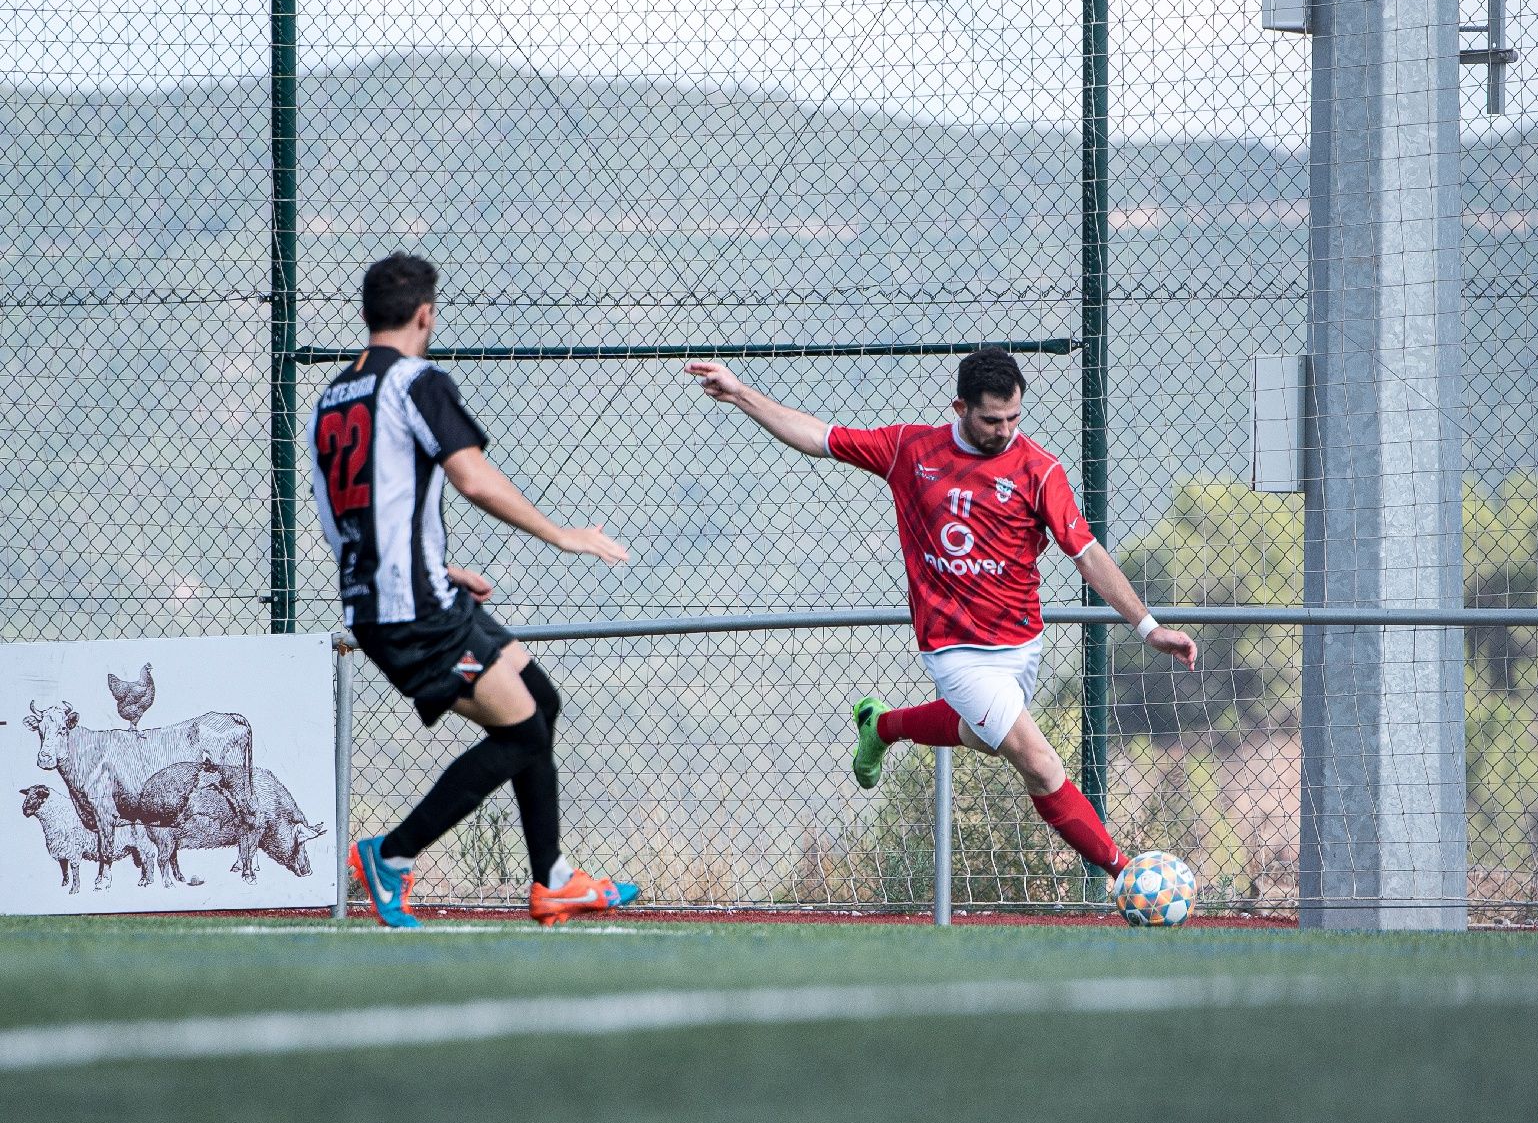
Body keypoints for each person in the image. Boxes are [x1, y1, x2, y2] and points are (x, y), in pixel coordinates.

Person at [687, 347, 1196, 885]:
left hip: (1022, 645)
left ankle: (881, 725)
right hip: (953, 650)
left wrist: (1148, 625)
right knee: (1040, 763)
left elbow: (1087, 553)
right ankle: (1130, 877)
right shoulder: (911, 449)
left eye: (1014, 418)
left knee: (980, 737)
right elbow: (819, 437)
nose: (1005, 430)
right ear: (959, 408)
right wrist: (740, 393)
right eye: (991, 420)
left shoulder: (1039, 471)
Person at [309, 252, 637, 928]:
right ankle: (391, 855)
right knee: (519, 732)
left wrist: (439, 567)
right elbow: (474, 478)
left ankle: (553, 879)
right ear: (426, 315)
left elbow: (348, 511)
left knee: (539, 700)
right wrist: (562, 533)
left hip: (403, 594)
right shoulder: (416, 382)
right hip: (412, 611)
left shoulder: (332, 398)